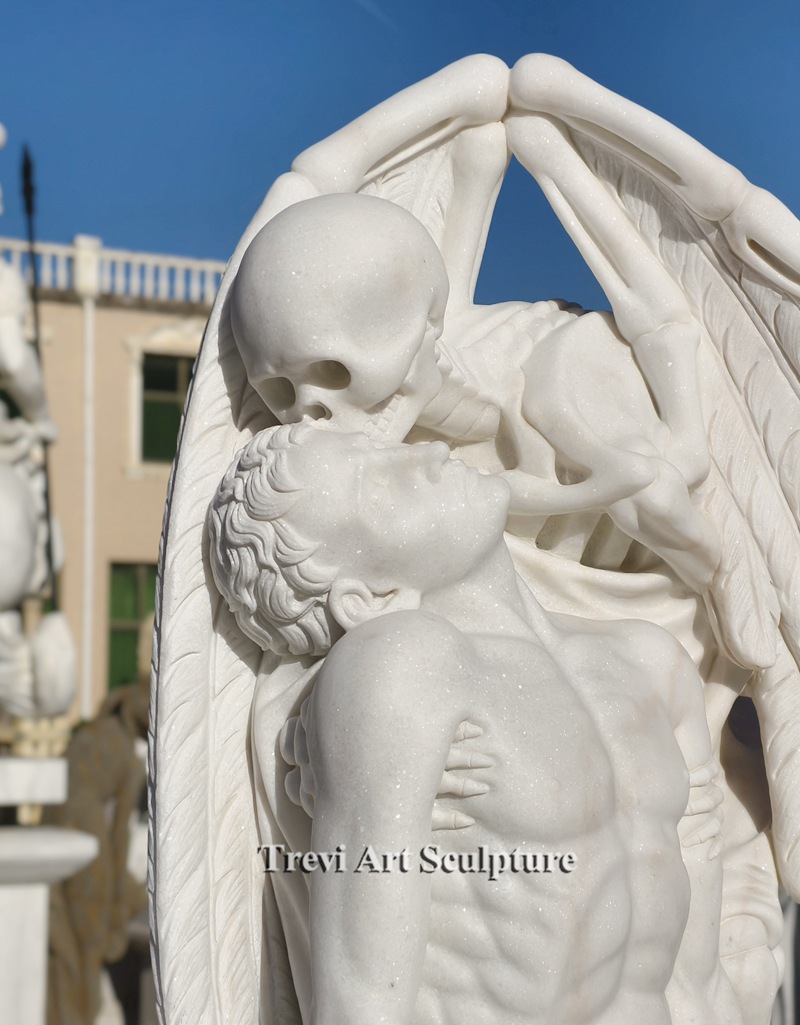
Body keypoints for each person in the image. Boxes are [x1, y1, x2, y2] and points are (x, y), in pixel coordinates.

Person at [208, 422, 742, 1025]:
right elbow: (361, 999)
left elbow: (699, 940)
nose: (430, 451)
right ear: (369, 597)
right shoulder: (402, 665)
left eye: (390, 451)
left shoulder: (649, 658)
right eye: (380, 484)